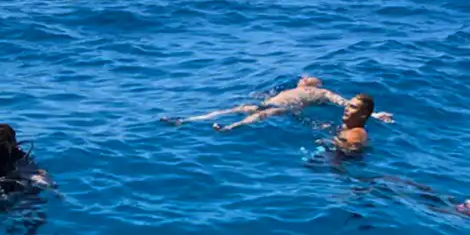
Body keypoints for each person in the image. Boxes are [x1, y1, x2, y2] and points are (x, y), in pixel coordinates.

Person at [163, 75, 393, 130]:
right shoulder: (299, 88)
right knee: (236, 108)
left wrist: (375, 115)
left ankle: (229, 128)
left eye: (307, 78)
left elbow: (344, 103)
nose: (303, 79)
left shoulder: (324, 93)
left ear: (314, 83)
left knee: (258, 115)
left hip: (284, 107)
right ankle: (187, 119)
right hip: (275, 103)